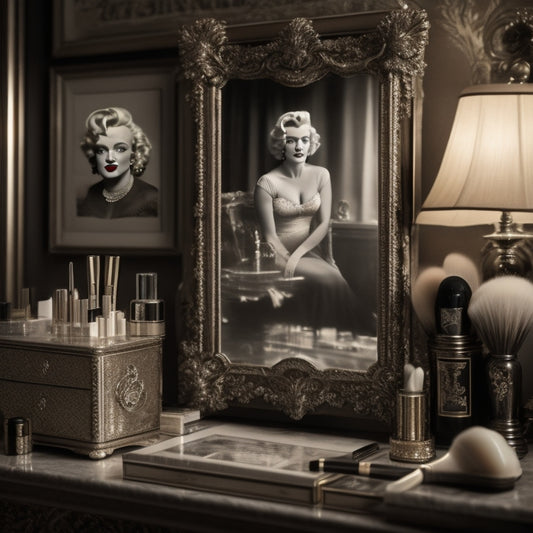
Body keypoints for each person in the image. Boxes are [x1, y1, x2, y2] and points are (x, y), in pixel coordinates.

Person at [254, 110, 363, 333]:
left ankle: (333, 341)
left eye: (304, 140)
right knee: (323, 281)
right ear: (281, 146)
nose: (299, 147)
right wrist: (287, 259)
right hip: (277, 254)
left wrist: (320, 257)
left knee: (334, 279)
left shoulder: (321, 175)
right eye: (291, 141)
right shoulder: (267, 183)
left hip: (307, 252)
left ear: (311, 143)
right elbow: (270, 235)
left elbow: (324, 224)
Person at [78, 107, 158, 218]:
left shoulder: (151, 198)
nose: (110, 158)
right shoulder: (92, 193)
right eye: (101, 150)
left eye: (120, 149)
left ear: (134, 155)